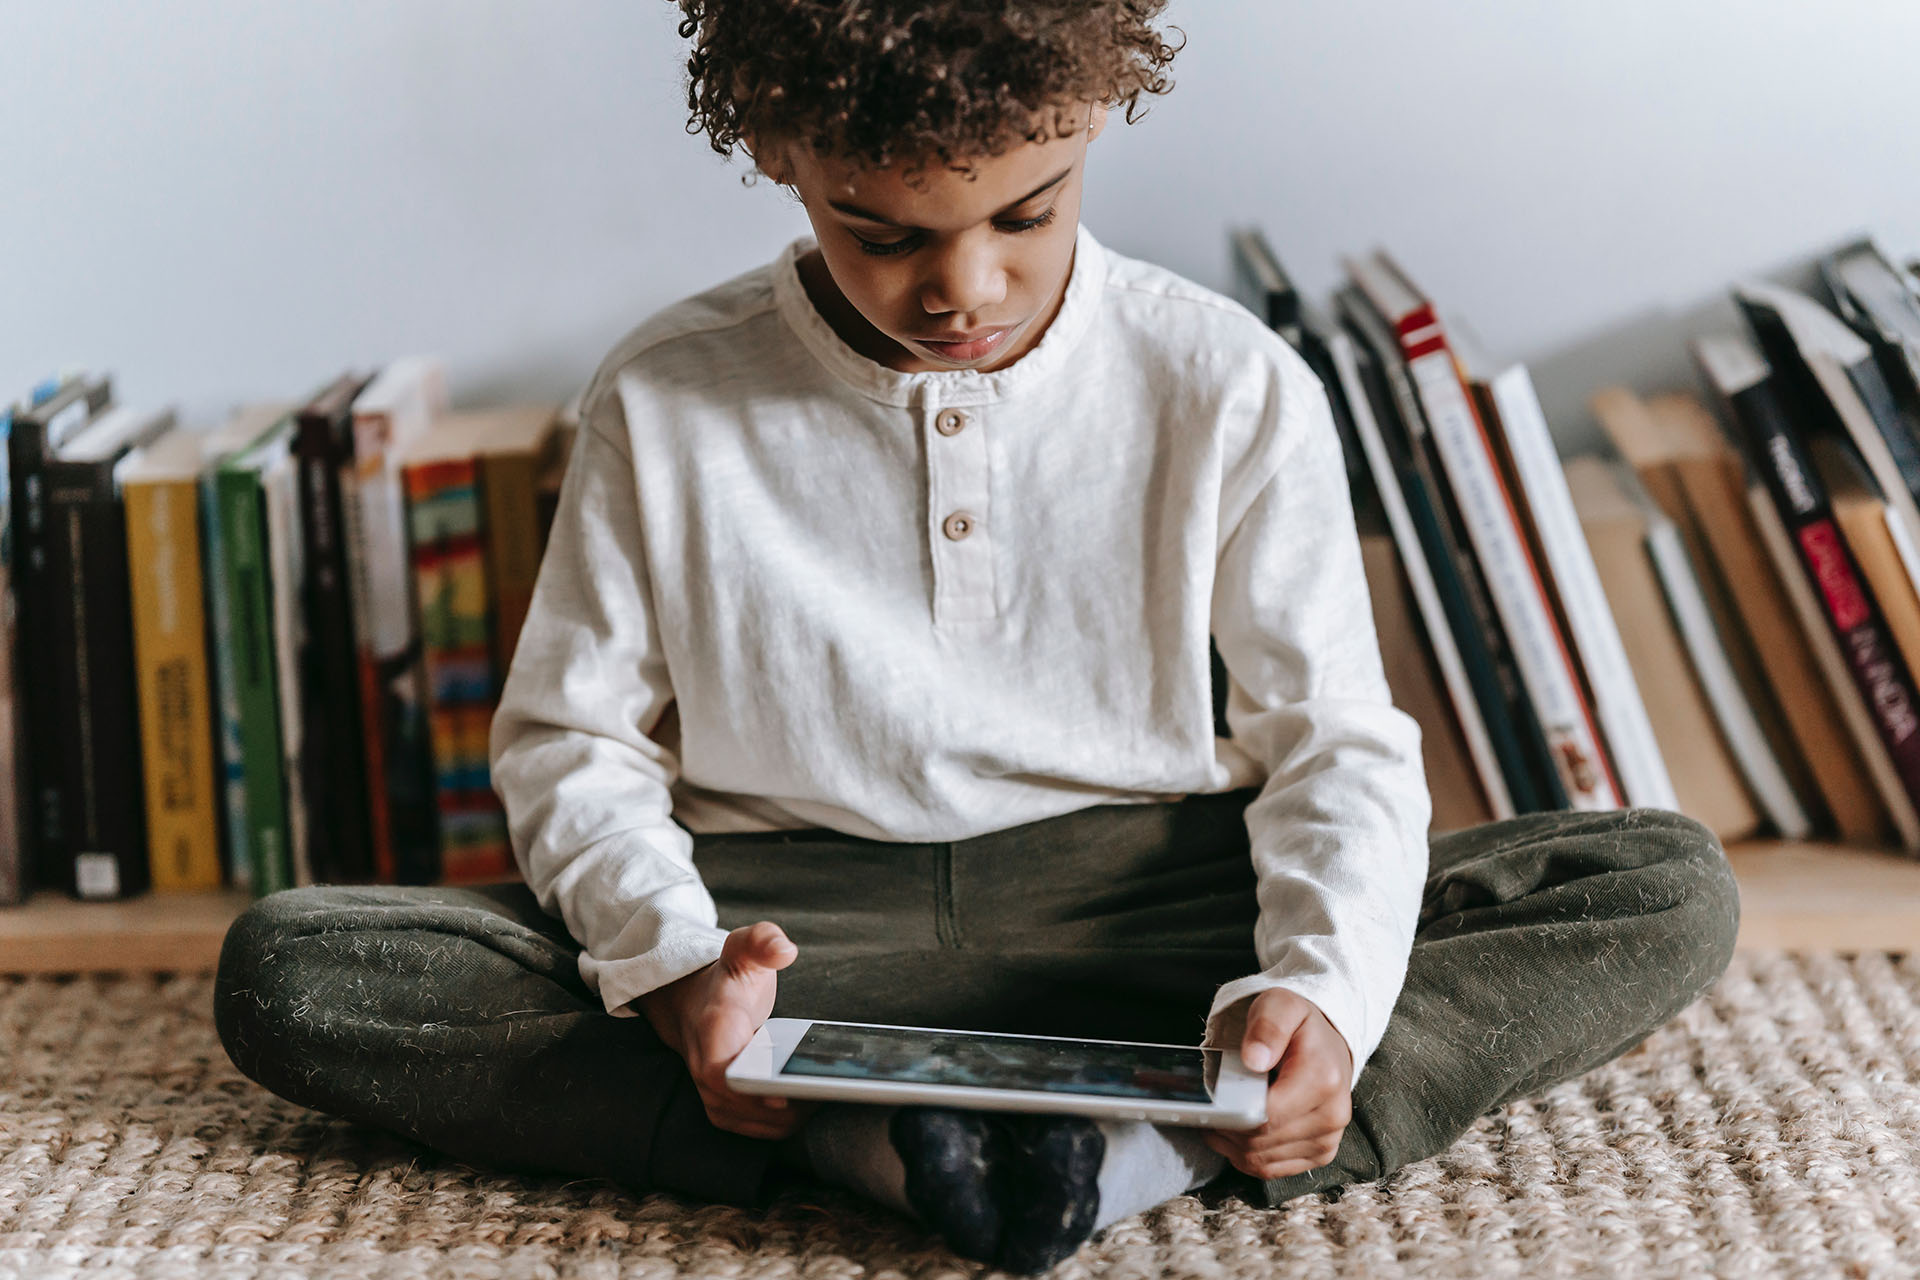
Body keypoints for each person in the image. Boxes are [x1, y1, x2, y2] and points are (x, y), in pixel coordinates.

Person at [213, 2, 1740, 1273]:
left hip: (1144, 904)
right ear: (779, 155)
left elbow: (1331, 739)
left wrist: (1322, 992)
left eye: (1027, 213)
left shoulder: (1229, 382)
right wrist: (678, 966)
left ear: (1090, 126)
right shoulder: (668, 394)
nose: (965, 289)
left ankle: (1093, 1143)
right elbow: (572, 741)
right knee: (294, 970)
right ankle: (932, 1128)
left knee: (1658, 886)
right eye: (879, 232)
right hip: (795, 926)